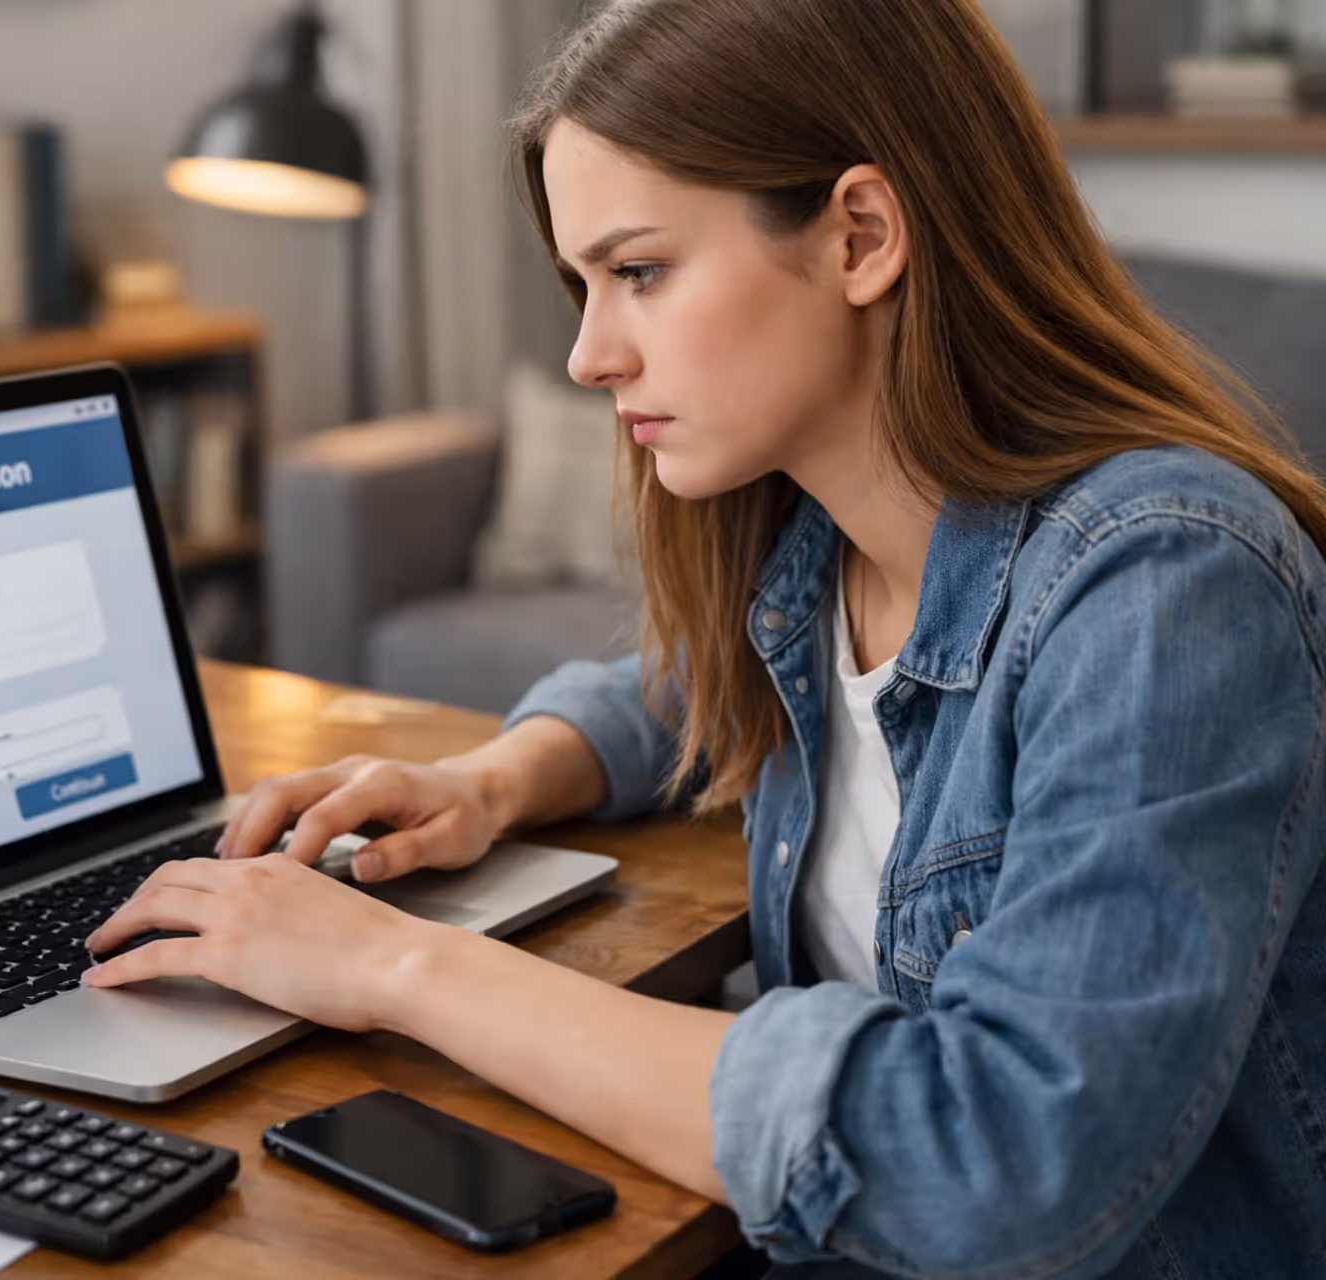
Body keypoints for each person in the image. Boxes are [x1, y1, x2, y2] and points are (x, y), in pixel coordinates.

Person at [85, 0, 1326, 1273]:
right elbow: (692, 687)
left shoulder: (1168, 583)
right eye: (582, 286)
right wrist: (490, 778)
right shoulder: (828, 553)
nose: (585, 354)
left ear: (861, 235)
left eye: (638, 271)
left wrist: (396, 963)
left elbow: (1001, 1154)